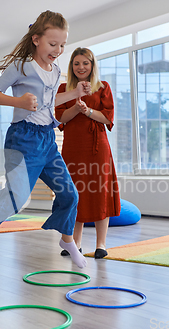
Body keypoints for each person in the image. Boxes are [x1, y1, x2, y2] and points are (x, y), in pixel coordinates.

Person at [0, 10, 91, 279]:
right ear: (36, 39)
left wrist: (74, 93)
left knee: (70, 195)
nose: (58, 50)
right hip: (23, 139)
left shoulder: (55, 69)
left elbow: (47, 103)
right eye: (52, 44)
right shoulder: (21, 66)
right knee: (16, 198)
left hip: (47, 139)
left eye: (62, 45)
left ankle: (67, 239)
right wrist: (19, 102)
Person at [55, 47, 121, 259]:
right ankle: (75, 243)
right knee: (75, 193)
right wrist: (76, 108)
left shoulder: (103, 87)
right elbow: (60, 119)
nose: (81, 67)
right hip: (73, 147)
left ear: (92, 65)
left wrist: (88, 111)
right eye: (76, 63)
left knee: (100, 192)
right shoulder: (64, 89)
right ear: (71, 67)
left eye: (85, 63)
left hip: (97, 147)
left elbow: (108, 118)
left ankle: (101, 244)